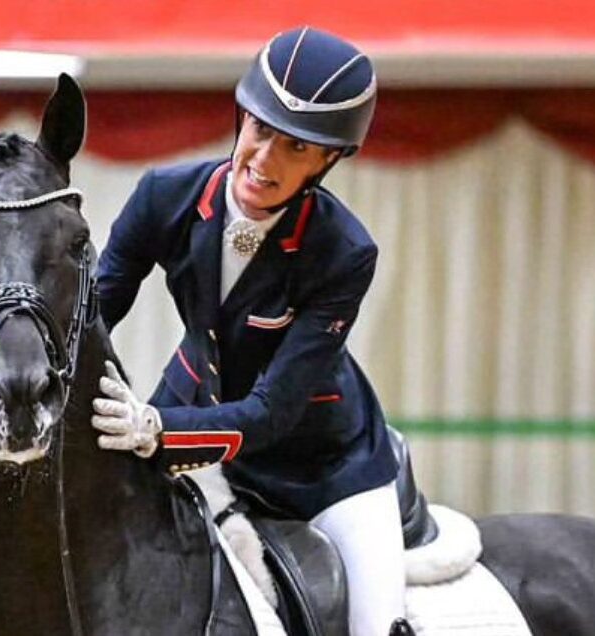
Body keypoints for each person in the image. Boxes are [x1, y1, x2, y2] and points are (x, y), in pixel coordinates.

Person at [90, 26, 414, 636]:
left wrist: (154, 429)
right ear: (241, 118)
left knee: (378, 628)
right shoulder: (164, 196)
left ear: (329, 160)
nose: (263, 162)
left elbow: (270, 412)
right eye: (261, 131)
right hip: (194, 409)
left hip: (323, 463)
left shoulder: (343, 251)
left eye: (295, 147)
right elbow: (96, 314)